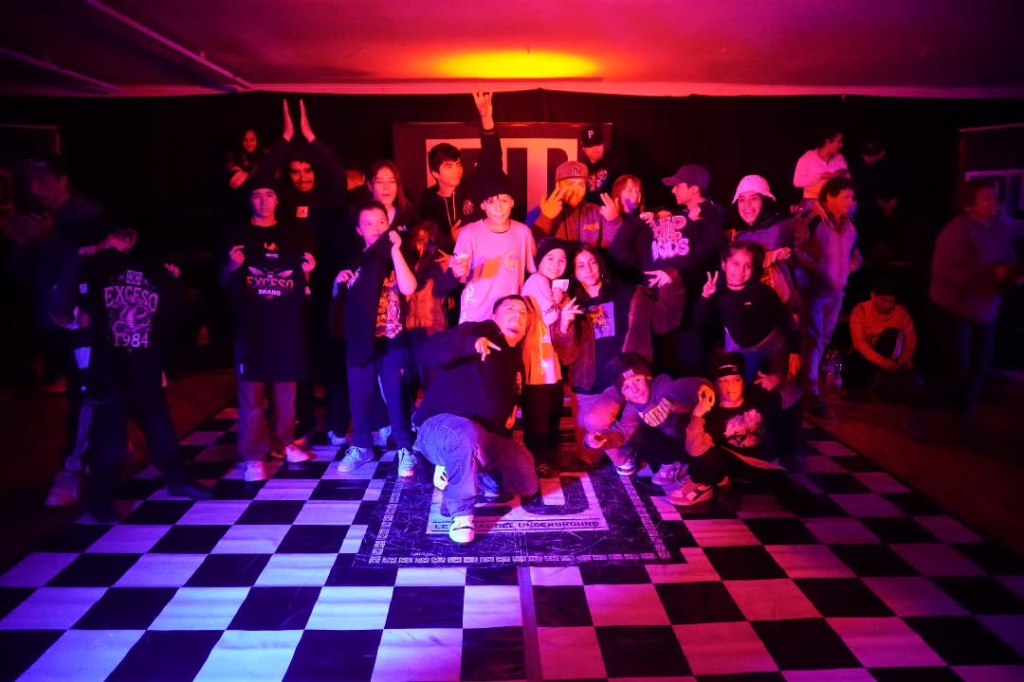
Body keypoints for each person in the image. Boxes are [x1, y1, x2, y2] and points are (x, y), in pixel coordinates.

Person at [49, 227, 212, 522]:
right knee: (108, 440)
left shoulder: (153, 271)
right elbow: (60, 311)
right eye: (117, 236)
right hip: (108, 371)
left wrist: (172, 282)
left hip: (146, 367)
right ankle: (99, 500)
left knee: (162, 431)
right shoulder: (90, 266)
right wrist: (84, 257)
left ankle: (177, 479)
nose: (123, 241)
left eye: (128, 236)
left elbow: (175, 316)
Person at [413, 295, 540, 544]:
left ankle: (461, 468)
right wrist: (470, 345)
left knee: (527, 482)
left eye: (523, 313)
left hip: (483, 436)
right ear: (494, 315)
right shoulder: (475, 330)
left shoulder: (516, 362)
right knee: (465, 434)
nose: (517, 315)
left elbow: (506, 417)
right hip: (440, 427)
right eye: (510, 309)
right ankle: (461, 513)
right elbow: (428, 352)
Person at [552, 245, 685, 474]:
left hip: (628, 381)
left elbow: (665, 321)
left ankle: (641, 449)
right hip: (589, 384)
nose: (588, 270)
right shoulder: (570, 304)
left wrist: (670, 285)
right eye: (581, 265)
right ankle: (624, 453)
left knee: (644, 434)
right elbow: (566, 355)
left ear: (601, 265)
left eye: (592, 262)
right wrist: (564, 324)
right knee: (589, 454)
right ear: (574, 272)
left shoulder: (629, 294)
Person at [224, 182, 317, 482]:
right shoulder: (238, 235)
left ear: (278, 200)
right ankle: (253, 456)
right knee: (252, 397)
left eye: (269, 195)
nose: (263, 201)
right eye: (257, 195)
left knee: (286, 397)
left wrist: (308, 274)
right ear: (249, 200)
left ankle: (284, 443)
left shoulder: (293, 235)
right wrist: (232, 267)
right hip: (251, 329)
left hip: (286, 328)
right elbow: (224, 284)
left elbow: (304, 289)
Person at [913, 179, 1021, 437]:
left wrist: (1012, 275)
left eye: (994, 197)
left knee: (979, 367)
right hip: (953, 307)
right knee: (956, 367)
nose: (994, 202)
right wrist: (990, 276)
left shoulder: (999, 228)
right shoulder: (957, 231)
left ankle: (962, 417)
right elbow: (945, 271)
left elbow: (1009, 261)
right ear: (968, 205)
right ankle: (919, 411)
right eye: (986, 198)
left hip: (985, 308)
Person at [334, 201, 419, 477]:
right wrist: (337, 283)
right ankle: (362, 445)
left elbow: (409, 287)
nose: (376, 228)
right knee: (359, 395)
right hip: (360, 340)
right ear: (359, 230)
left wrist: (395, 250)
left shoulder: (396, 255)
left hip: (392, 338)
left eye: (381, 222)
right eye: (368, 223)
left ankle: (405, 447)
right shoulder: (354, 260)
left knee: (396, 395)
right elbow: (340, 301)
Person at [670, 352, 803, 508]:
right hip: (728, 463)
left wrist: (779, 379)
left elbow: (795, 394)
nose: (731, 386)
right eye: (724, 381)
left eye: (736, 380)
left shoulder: (757, 395)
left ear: (743, 381)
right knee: (696, 443)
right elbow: (694, 450)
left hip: (760, 462)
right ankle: (720, 485)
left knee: (797, 500)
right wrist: (697, 415)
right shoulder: (710, 408)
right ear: (715, 384)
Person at [584, 353, 709, 486]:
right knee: (641, 438)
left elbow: (686, 386)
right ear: (624, 396)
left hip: (699, 436)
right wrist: (596, 440)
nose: (635, 390)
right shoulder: (632, 409)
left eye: (637, 380)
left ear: (648, 378)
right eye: (627, 387)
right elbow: (623, 434)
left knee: (685, 431)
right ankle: (675, 464)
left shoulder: (663, 388)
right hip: (674, 443)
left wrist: (702, 388)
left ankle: (699, 476)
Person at [793, 176, 862, 416]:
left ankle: (810, 387)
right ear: (830, 197)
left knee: (822, 340)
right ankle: (810, 392)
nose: (851, 201)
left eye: (852, 197)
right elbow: (796, 250)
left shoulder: (849, 225)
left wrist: (854, 263)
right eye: (846, 197)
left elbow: (853, 253)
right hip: (815, 292)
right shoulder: (812, 220)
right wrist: (817, 270)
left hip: (836, 292)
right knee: (813, 339)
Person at [696, 242, 801, 386]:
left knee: (779, 382)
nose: (741, 270)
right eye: (735, 263)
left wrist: (795, 351)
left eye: (747, 266)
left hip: (772, 345)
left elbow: (785, 319)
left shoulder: (762, 292)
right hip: (741, 348)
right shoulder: (718, 294)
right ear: (724, 265)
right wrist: (705, 296)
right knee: (747, 387)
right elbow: (699, 322)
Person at [658, 163, 727, 375]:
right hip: (685, 304)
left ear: (694, 189)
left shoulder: (711, 216)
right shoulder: (688, 215)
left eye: (678, 186)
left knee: (694, 368)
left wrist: (692, 226)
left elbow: (702, 255)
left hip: (699, 306)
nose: (673, 190)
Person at [450, 170, 537, 323]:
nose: (498, 208)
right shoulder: (469, 233)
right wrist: (457, 271)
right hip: (476, 315)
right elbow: (459, 275)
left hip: (510, 317)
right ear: (482, 205)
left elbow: (533, 273)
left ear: (512, 202)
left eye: (504, 201)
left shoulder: (523, 232)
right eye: (491, 202)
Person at [419, 92, 503, 246]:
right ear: (435, 173)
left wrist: (486, 118)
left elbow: (492, 157)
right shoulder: (427, 202)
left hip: (480, 256)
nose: (457, 171)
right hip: (444, 259)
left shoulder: (472, 187)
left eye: (458, 165)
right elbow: (425, 243)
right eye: (449, 166)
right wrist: (451, 239)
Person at [520, 238, 572, 476]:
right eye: (550, 258)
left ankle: (547, 456)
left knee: (550, 412)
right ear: (539, 261)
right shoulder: (537, 280)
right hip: (538, 361)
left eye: (562, 260)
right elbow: (551, 316)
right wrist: (559, 300)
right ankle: (539, 460)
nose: (556, 264)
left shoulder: (547, 284)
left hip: (548, 361)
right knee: (540, 415)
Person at [729, 174, 799, 311]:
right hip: (755, 305)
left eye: (754, 198)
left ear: (765, 201)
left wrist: (735, 241)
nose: (747, 205)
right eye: (742, 200)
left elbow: (768, 241)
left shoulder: (781, 227)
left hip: (780, 308)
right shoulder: (743, 232)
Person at [844, 278, 917, 401]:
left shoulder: (901, 312)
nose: (888, 305)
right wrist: (882, 362)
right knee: (855, 357)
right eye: (884, 300)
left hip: (892, 357)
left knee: (892, 334)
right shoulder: (861, 310)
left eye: (891, 301)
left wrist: (904, 359)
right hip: (866, 356)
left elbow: (911, 337)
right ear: (873, 296)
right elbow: (858, 343)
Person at [529, 160, 622, 248]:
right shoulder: (538, 212)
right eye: (569, 184)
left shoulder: (597, 212)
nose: (575, 191)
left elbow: (613, 250)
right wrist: (545, 219)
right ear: (557, 185)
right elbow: (530, 250)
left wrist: (613, 221)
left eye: (581, 184)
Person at [793, 126, 850, 209]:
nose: (841, 145)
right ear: (828, 141)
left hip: (834, 202)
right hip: (812, 202)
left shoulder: (840, 158)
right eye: (839, 142)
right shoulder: (808, 157)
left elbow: (848, 180)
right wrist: (821, 176)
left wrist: (842, 175)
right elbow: (797, 182)